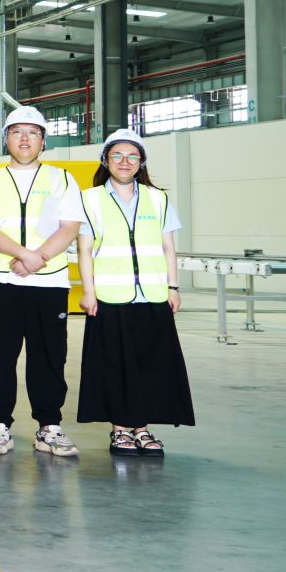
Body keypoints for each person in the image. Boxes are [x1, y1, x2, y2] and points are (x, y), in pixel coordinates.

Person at [0, 105, 86, 458]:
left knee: (49, 358)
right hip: (1, 282)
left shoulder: (62, 179)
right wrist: (24, 255)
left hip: (49, 284)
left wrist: (39, 258)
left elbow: (70, 226)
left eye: (33, 132)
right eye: (17, 132)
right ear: (5, 139)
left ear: (43, 141)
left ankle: (49, 426)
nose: (24, 139)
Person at [77, 129, 192, 456]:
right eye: (117, 155)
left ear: (141, 162)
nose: (124, 162)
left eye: (132, 156)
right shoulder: (89, 199)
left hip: (152, 296)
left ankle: (142, 428)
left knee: (151, 365)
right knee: (115, 365)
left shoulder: (158, 198)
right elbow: (85, 250)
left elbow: (168, 247)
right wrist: (88, 292)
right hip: (110, 298)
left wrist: (173, 287)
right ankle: (120, 430)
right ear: (105, 160)